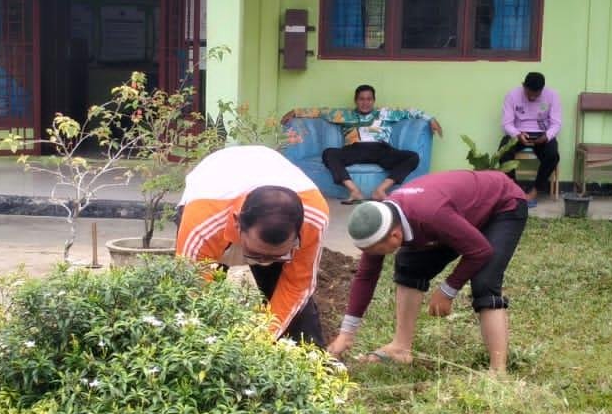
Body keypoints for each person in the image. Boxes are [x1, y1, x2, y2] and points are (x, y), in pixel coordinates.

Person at [326, 169, 528, 373]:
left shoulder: (431, 214)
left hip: (502, 206)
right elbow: (366, 276)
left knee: (485, 282)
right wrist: (346, 333)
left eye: (375, 252)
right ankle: (400, 348)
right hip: (459, 216)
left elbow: (480, 250)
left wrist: (448, 290)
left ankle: (497, 370)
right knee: (409, 265)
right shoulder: (383, 223)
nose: (373, 257)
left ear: (395, 236)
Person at [176, 144, 328, 345]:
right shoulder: (202, 226)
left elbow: (296, 286)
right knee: (204, 309)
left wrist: (263, 338)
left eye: (277, 256)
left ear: (299, 232)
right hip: (214, 202)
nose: (264, 263)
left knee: (299, 322)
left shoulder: (313, 219)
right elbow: (191, 291)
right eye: (257, 255)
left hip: (280, 200)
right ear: (237, 223)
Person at [283, 84, 442, 203]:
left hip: (381, 150)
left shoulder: (384, 113)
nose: (365, 103)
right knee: (329, 153)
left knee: (413, 157)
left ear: (373, 100)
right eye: (361, 99)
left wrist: (431, 119)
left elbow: (411, 111)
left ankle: (380, 190)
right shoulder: (344, 115)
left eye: (369, 99)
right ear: (356, 100)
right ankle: (354, 191)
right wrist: (294, 112)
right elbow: (319, 111)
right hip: (355, 150)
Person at [497, 70, 562, 206]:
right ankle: (514, 191)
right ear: (523, 86)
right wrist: (517, 134)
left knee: (552, 155)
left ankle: (534, 191)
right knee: (503, 152)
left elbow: (556, 123)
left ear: (542, 89)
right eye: (529, 93)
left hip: (542, 134)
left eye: (536, 94)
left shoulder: (552, 95)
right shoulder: (512, 95)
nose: (532, 97)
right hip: (518, 131)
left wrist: (546, 136)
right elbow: (506, 123)